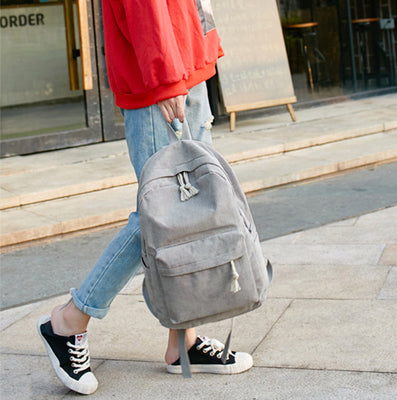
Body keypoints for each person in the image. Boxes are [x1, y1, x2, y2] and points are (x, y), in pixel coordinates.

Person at [37, 1, 253, 395]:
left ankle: (182, 343)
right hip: (163, 83)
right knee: (160, 219)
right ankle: (68, 320)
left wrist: (200, 53)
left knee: (188, 217)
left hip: (187, 71)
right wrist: (167, 79)